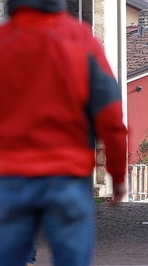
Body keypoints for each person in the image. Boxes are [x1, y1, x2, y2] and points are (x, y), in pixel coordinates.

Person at [0, 0, 127, 265]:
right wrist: (117, 175)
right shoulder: (81, 40)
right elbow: (111, 117)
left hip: (8, 174)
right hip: (67, 174)